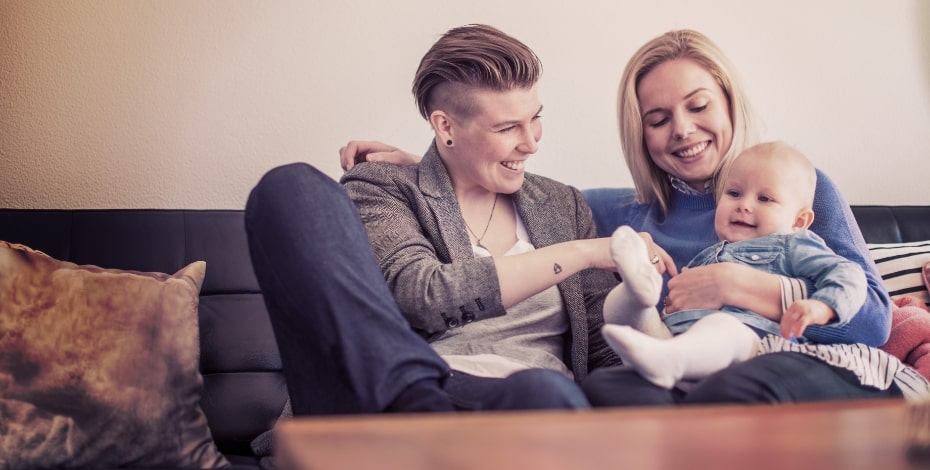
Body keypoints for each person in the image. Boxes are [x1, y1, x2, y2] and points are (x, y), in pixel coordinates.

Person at [340, 29, 928, 405]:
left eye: (699, 107)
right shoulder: (609, 211)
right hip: (660, 386)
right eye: (658, 117)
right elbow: (502, 199)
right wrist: (427, 165)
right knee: (612, 386)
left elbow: (871, 322)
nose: (683, 131)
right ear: (639, 131)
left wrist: (741, 286)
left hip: (778, 369)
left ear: (728, 102)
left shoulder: (798, 189)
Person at [246, 24, 624, 416]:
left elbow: (604, 348)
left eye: (535, 118)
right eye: (508, 127)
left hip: (534, 403)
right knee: (290, 186)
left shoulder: (562, 204)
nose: (531, 142)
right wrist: (580, 253)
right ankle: (416, 408)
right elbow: (421, 296)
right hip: (420, 393)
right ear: (446, 126)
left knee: (540, 390)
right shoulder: (386, 188)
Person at [600, 141, 869, 389]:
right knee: (618, 309)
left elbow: (849, 274)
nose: (744, 205)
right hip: (677, 338)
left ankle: (670, 359)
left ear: (799, 222)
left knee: (722, 325)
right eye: (734, 193)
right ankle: (637, 292)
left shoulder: (794, 244)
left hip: (752, 344)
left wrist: (823, 306)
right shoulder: (713, 252)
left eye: (764, 199)